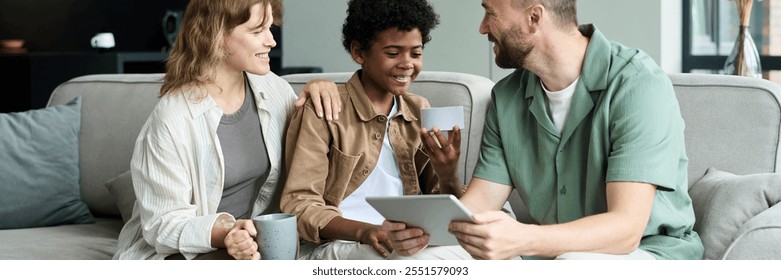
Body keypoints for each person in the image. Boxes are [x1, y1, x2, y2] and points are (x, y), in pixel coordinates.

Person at [384, 0, 705, 260]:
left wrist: (523, 238)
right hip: (549, 256)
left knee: (572, 265)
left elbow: (626, 230)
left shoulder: (636, 85)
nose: (483, 27)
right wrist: (422, 231)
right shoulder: (507, 98)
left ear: (534, 17)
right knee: (428, 261)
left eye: (490, 13)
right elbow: (478, 207)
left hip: (649, 254)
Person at [113, 0, 341, 260]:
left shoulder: (274, 90)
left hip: (252, 246)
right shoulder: (172, 118)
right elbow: (161, 225)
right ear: (217, 35)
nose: (271, 41)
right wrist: (228, 232)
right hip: (182, 253)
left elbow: (314, 155)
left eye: (269, 28)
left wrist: (319, 92)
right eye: (257, 31)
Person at [277, 0, 467, 260]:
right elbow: (299, 206)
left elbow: (445, 206)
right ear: (359, 52)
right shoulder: (324, 109)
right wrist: (367, 232)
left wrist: (448, 174)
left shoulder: (420, 109)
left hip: (406, 240)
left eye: (416, 53)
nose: (407, 64)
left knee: (490, 254)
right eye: (392, 53)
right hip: (338, 244)